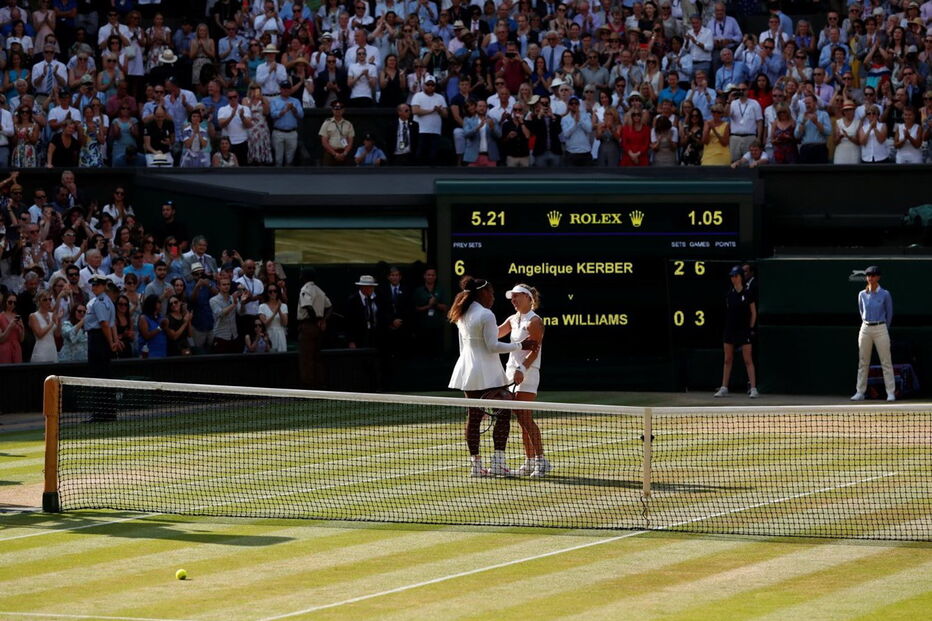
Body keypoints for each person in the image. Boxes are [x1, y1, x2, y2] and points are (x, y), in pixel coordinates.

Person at [447, 276, 537, 477]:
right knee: (503, 414)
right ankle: (498, 463)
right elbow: (493, 346)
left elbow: (464, 347)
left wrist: (466, 366)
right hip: (488, 372)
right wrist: (521, 345)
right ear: (483, 293)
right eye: (492, 293)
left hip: (468, 371)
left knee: (474, 417)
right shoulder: (486, 314)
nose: (494, 297)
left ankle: (476, 466)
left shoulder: (461, 312)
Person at [498, 284, 549, 478]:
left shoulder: (535, 321)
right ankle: (529, 461)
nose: (513, 300)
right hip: (511, 372)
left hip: (528, 373)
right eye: (512, 297)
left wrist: (522, 368)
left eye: (517, 296)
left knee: (525, 417)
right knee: (520, 419)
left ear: (528, 298)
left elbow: (534, 350)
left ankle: (541, 461)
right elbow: (494, 334)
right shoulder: (513, 319)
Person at [714, 266, 758, 399]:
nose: (733, 279)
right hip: (730, 330)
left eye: (736, 276)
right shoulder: (729, 294)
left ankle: (754, 389)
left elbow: (753, 313)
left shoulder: (748, 293)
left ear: (740, 277)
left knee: (748, 360)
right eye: (732, 276)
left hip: (744, 330)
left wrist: (750, 328)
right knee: (727, 359)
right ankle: (724, 387)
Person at [852, 265, 895, 401]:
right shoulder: (862, 294)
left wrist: (882, 327)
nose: (870, 278)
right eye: (868, 275)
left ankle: (891, 393)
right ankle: (860, 392)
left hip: (881, 329)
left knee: (886, 362)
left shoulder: (885, 294)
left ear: (878, 277)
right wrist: (867, 324)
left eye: (873, 275)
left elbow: (889, 313)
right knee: (863, 362)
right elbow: (861, 311)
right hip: (865, 329)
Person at [297, 268, 331, 388]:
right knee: (317, 357)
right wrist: (323, 320)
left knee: (306, 357)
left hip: (308, 326)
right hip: (318, 328)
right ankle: (319, 384)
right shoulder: (319, 290)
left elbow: (308, 307)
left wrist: (317, 320)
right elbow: (329, 306)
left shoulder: (305, 290)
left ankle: (308, 386)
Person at [84, 274, 120, 376]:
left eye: (97, 285)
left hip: (98, 337)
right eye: (93, 285)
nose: (94, 287)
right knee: (103, 369)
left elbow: (104, 323)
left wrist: (111, 342)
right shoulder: (108, 301)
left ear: (104, 286)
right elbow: (112, 324)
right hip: (102, 337)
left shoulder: (99, 302)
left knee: (97, 370)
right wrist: (114, 340)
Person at [29, 290, 60, 363]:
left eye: (50, 299)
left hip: (52, 349)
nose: (48, 302)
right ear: (38, 301)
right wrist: (52, 322)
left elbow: (57, 334)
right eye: (45, 299)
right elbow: (39, 334)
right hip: (41, 350)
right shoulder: (33, 316)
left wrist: (59, 320)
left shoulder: (52, 315)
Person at [259, 283, 288, 352]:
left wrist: (279, 310)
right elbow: (265, 323)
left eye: (275, 291)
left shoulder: (283, 306)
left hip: (280, 333)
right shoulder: (262, 306)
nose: (273, 293)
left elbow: (285, 323)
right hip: (269, 334)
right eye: (270, 291)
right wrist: (275, 312)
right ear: (267, 293)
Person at [137, 293, 168, 358]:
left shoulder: (161, 317)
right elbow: (146, 336)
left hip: (162, 352)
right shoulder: (144, 318)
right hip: (149, 354)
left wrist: (166, 326)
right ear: (152, 303)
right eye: (158, 302)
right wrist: (160, 328)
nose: (161, 304)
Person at [0, 291, 24, 363]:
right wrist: (10, 326)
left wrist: (21, 328)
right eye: (10, 302)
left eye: (15, 303)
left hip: (16, 348)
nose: (12, 305)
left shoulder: (17, 316)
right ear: (5, 302)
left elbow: (22, 339)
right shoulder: (1, 316)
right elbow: (1, 339)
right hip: (4, 349)